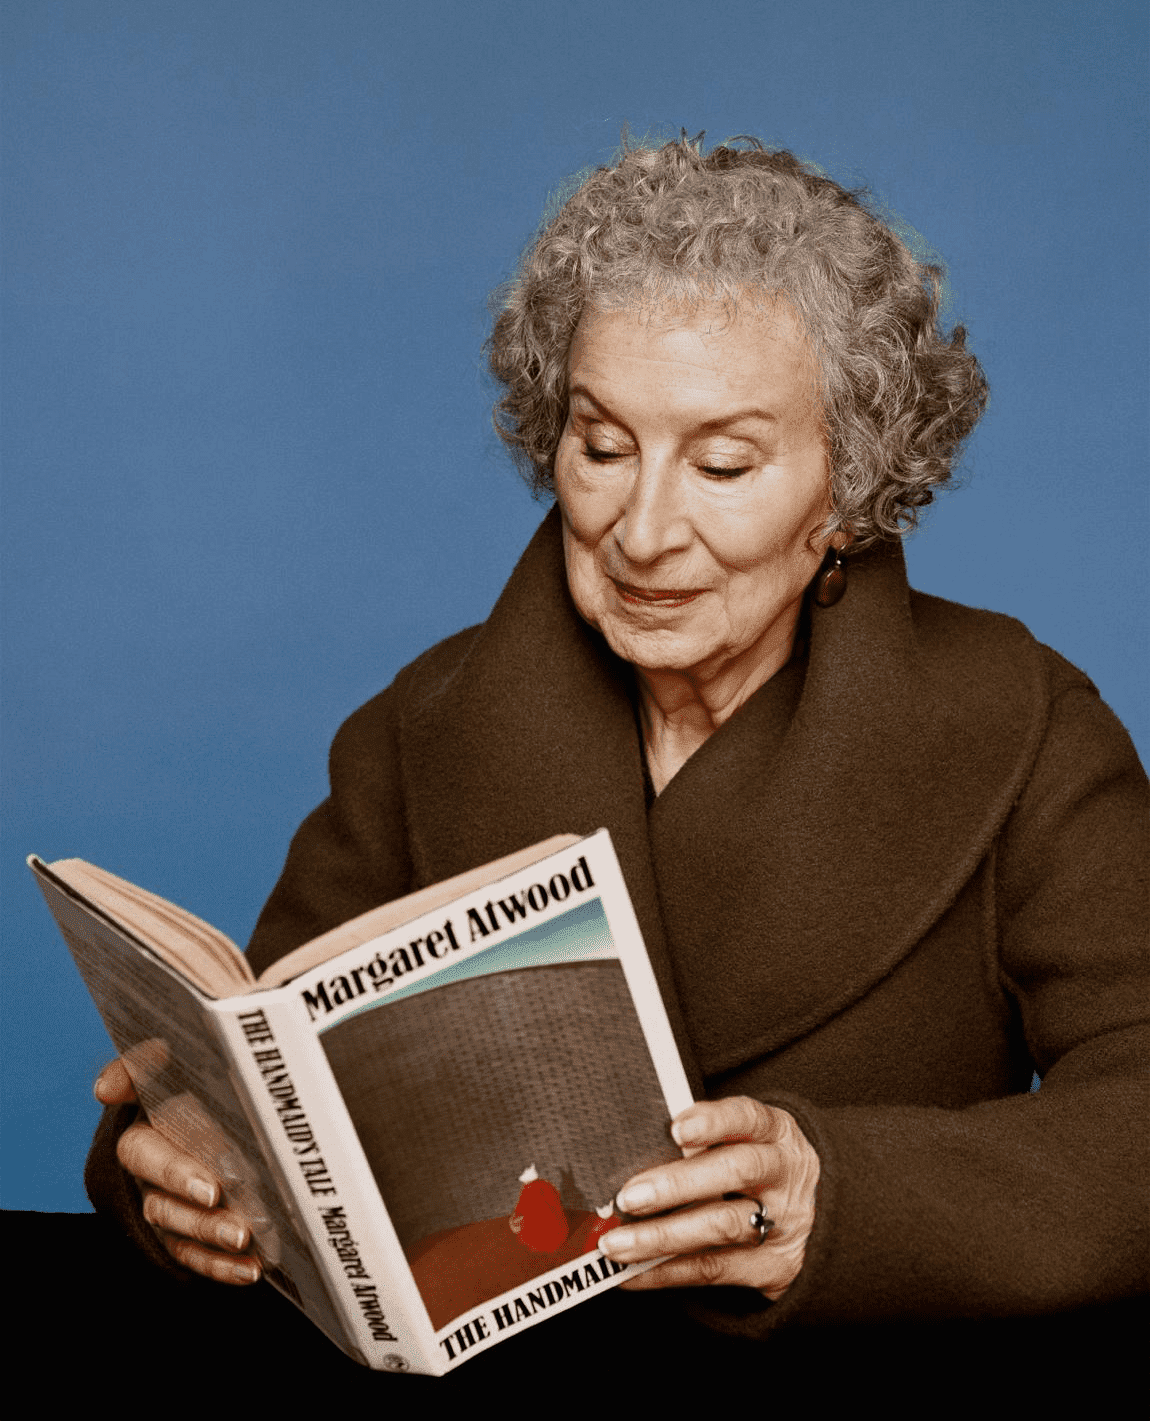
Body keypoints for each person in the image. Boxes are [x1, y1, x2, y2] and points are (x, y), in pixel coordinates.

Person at [88, 136, 1148, 1340]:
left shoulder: (1023, 726)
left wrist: (841, 1197)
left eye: (723, 463)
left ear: (851, 490)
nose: (642, 532)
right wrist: (176, 1166)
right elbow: (265, 1075)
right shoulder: (417, 729)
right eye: (600, 448)